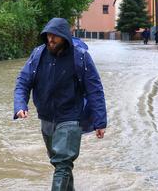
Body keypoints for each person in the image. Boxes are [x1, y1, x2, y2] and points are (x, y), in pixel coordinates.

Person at [13, 18, 107, 191]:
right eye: (48, 35)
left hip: (71, 117)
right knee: (59, 164)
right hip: (47, 118)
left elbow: (95, 90)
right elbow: (23, 82)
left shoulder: (81, 57)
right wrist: (20, 105)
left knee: (62, 163)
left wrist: (100, 121)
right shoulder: (38, 55)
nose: (51, 39)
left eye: (55, 36)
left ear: (64, 37)